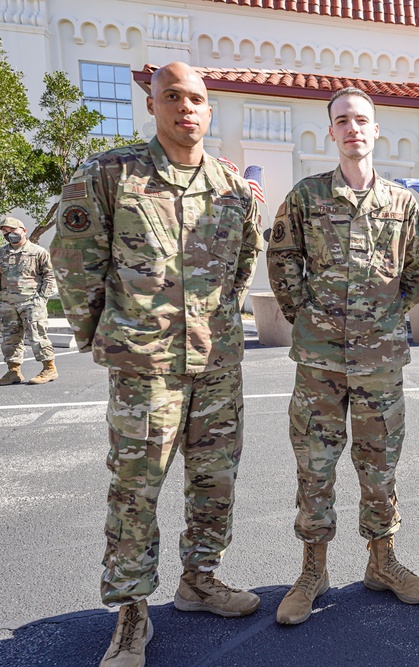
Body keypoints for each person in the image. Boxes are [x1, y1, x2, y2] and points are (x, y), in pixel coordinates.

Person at [51, 61, 264, 667]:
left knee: (214, 481)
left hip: (218, 363)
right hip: (145, 367)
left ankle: (199, 580)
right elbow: (74, 260)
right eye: (173, 97)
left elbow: (244, 262)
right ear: (153, 105)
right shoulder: (110, 174)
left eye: (196, 98)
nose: (186, 108)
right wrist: (107, 335)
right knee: (136, 491)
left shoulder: (228, 184)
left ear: (209, 109)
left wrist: (221, 323)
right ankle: (131, 611)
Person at [267, 87, 419, 625]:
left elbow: (417, 271)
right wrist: (309, 318)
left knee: (380, 465)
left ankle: (382, 561)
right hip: (319, 362)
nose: (353, 129)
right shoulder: (305, 196)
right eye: (343, 121)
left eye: (362, 120)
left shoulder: (402, 202)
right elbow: (282, 260)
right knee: (315, 467)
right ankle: (312, 570)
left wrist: (382, 320)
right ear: (331, 132)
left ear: (376, 129)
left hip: (379, 362)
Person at [0, 216, 58, 385]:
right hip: (7, 303)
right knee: (10, 338)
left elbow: (50, 275)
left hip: (31, 302)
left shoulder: (38, 252)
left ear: (23, 231)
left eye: (13, 230)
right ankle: (14, 372)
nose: (9, 234)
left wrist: (42, 298)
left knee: (37, 335)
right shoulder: (2, 253)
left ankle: (49, 368)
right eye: (5, 232)